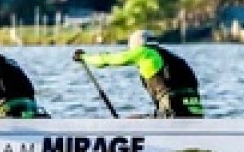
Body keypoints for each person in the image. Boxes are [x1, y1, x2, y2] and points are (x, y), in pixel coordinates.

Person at [74, 30, 205, 118]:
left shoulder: (144, 52)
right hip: (196, 115)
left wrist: (84, 57)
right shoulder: (175, 60)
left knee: (130, 122)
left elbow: (108, 60)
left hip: (172, 113)